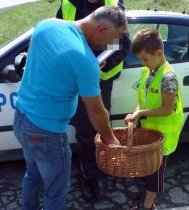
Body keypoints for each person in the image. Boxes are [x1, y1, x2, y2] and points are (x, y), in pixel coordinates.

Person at [13, 6, 127, 210]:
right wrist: (110, 139)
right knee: (56, 190)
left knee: (33, 174)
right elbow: (95, 110)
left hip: (21, 119)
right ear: (101, 28)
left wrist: (77, 70)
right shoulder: (85, 62)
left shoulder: (46, 25)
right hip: (47, 133)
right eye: (114, 38)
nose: (113, 45)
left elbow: (38, 54)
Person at [56, 0, 131, 200]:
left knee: (99, 125)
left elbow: (124, 45)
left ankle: (102, 168)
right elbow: (58, 38)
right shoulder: (68, 5)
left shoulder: (113, 4)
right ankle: (89, 173)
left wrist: (105, 64)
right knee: (84, 128)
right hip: (76, 74)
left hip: (102, 77)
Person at [125, 28, 184, 210]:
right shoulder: (148, 71)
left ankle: (148, 205)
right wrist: (135, 114)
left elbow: (166, 109)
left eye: (145, 59)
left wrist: (141, 114)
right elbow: (142, 101)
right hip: (148, 134)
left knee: (154, 174)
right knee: (146, 169)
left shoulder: (168, 77)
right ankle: (146, 200)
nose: (143, 63)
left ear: (159, 53)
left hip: (161, 138)